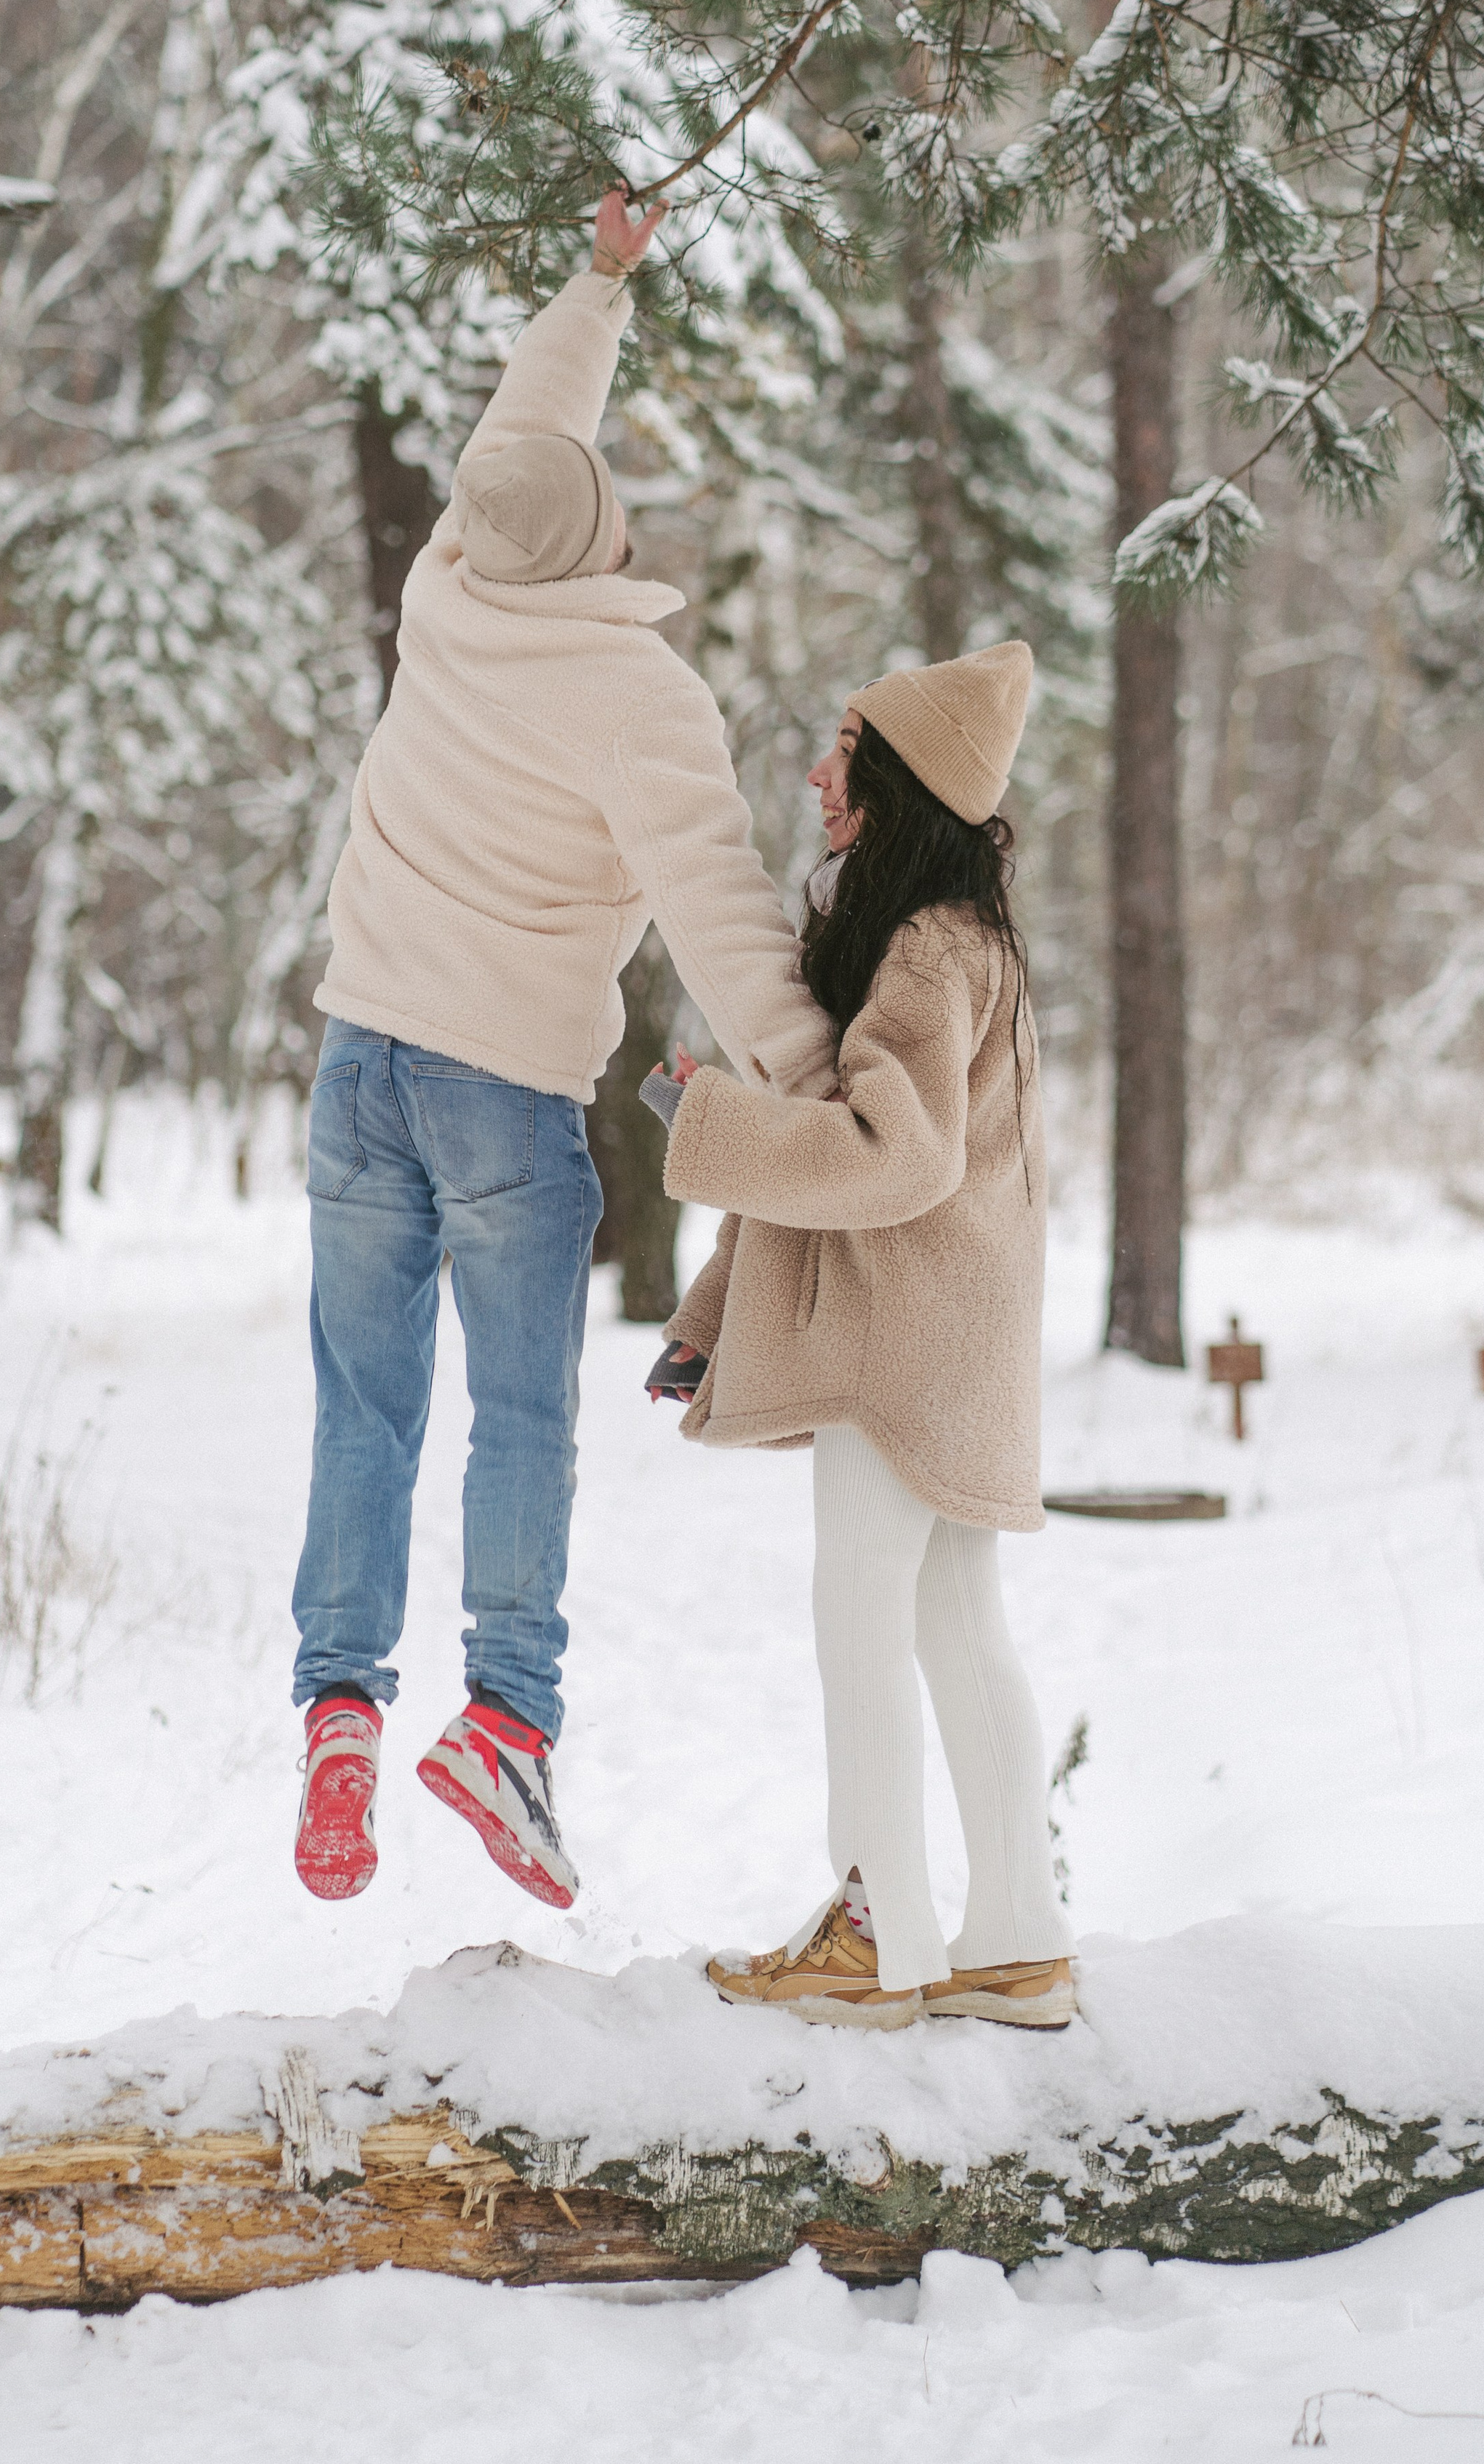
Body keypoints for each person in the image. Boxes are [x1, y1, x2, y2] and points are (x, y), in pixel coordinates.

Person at [291, 191, 838, 1916]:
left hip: (356, 1064)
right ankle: (505, 1731)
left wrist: (599, 276)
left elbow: (525, 433)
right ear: (609, 535)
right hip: (499, 1097)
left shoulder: (444, 586)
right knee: (519, 1420)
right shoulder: (637, 698)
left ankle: (334, 1710)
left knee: (364, 1411)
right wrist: (825, 1082)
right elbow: (721, 916)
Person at [641, 641, 1075, 2030]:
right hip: (954, 1344)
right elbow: (830, 1182)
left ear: (902, 788)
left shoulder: (931, 952)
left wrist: (701, 1118)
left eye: (847, 753)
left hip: (901, 1353)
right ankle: (1017, 1941)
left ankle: (876, 1933)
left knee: (862, 1629)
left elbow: (891, 1159)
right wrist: (714, 1315)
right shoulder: (962, 943)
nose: (821, 774)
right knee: (957, 1631)